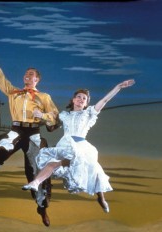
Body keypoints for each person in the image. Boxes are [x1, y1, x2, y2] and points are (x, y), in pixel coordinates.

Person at [0, 50, 60, 227]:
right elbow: (0, 78)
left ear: (37, 79)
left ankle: (42, 208)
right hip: (16, 130)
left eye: (30, 74)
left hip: (34, 134)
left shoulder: (44, 97)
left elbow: (55, 116)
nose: (26, 76)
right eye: (25, 74)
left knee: (37, 169)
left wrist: (43, 115)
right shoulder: (14, 93)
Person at [22, 79, 135, 220]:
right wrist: (41, 116)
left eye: (84, 98)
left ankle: (101, 198)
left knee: (95, 172)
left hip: (82, 146)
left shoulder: (89, 114)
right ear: (73, 100)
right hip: (66, 144)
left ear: (87, 103)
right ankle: (35, 183)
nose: (81, 99)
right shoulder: (64, 115)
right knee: (53, 163)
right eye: (79, 97)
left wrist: (118, 87)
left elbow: (105, 100)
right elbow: (51, 123)